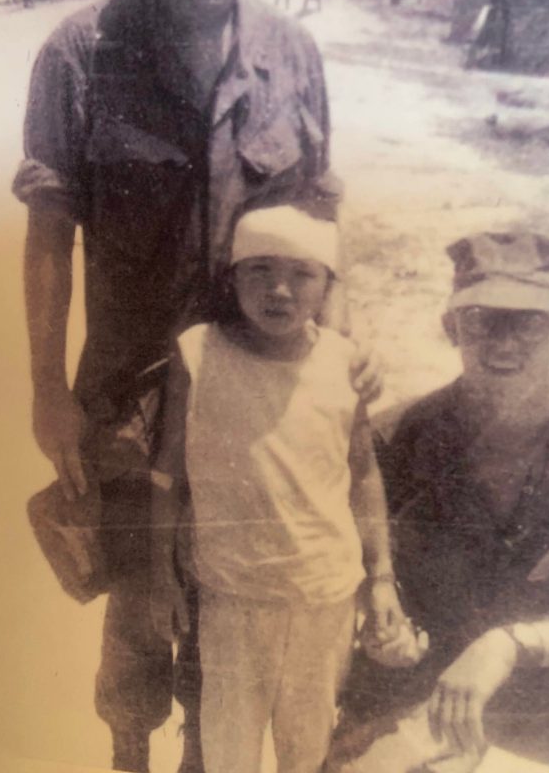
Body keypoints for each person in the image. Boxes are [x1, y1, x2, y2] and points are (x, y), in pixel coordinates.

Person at [13, 0, 378, 773]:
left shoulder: (293, 56)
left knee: (233, 620)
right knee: (137, 614)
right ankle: (130, 758)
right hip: (129, 404)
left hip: (256, 399)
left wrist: (344, 341)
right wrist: (48, 392)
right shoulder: (82, 53)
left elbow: (316, 218)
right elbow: (49, 232)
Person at [329, 227, 549, 773]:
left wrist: (509, 645)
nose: (503, 343)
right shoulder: (390, 441)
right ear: (451, 328)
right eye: (481, 321)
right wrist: (379, 630)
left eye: (530, 323)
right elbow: (328, 573)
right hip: (427, 686)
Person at [150, 205, 418, 773]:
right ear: (233, 277)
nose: (280, 290)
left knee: (308, 745)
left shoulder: (345, 362)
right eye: (260, 270)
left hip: (325, 594)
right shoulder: (198, 353)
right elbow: (167, 477)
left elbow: (364, 475)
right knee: (228, 749)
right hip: (232, 594)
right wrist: (160, 576)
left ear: (326, 285)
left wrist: (383, 578)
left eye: (302, 274)